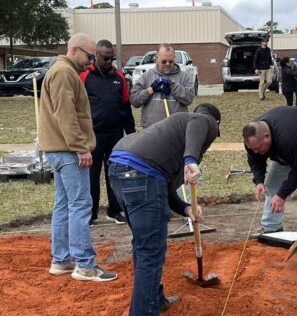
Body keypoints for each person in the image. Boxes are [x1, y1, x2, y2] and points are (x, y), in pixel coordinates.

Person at [108, 104, 221, 316]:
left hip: (120, 168)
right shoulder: (201, 121)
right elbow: (200, 123)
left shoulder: (168, 140)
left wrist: (186, 209)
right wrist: (191, 159)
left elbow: (164, 189)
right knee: (150, 253)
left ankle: (155, 302)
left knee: (143, 246)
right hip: (140, 174)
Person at [39, 34, 117, 282]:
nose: (91, 62)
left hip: (60, 149)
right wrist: (81, 148)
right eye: (89, 56)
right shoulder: (64, 73)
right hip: (68, 150)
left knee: (64, 204)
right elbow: (66, 116)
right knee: (81, 204)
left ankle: (61, 260)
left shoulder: (63, 70)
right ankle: (85, 265)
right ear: (74, 50)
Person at [243, 106, 297, 258]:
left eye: (259, 147)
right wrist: (259, 181)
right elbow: (255, 159)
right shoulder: (253, 140)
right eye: (252, 148)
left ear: (267, 136)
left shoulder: (290, 139)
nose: (256, 151)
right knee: (271, 185)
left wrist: (282, 195)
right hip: (287, 151)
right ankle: (271, 229)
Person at [80, 39, 136, 225]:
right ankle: (91, 213)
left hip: (115, 134)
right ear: (96, 56)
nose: (109, 62)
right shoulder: (85, 77)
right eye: (105, 58)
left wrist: (132, 133)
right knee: (92, 176)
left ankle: (114, 210)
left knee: (114, 173)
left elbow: (126, 107)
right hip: (93, 135)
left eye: (112, 59)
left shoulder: (120, 78)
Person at [130, 45, 196, 128]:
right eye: (164, 61)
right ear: (157, 58)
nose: (167, 64)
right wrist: (151, 89)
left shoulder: (184, 77)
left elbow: (189, 98)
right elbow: (134, 101)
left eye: (171, 61)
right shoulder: (147, 76)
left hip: (176, 130)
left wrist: (172, 85)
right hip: (151, 131)